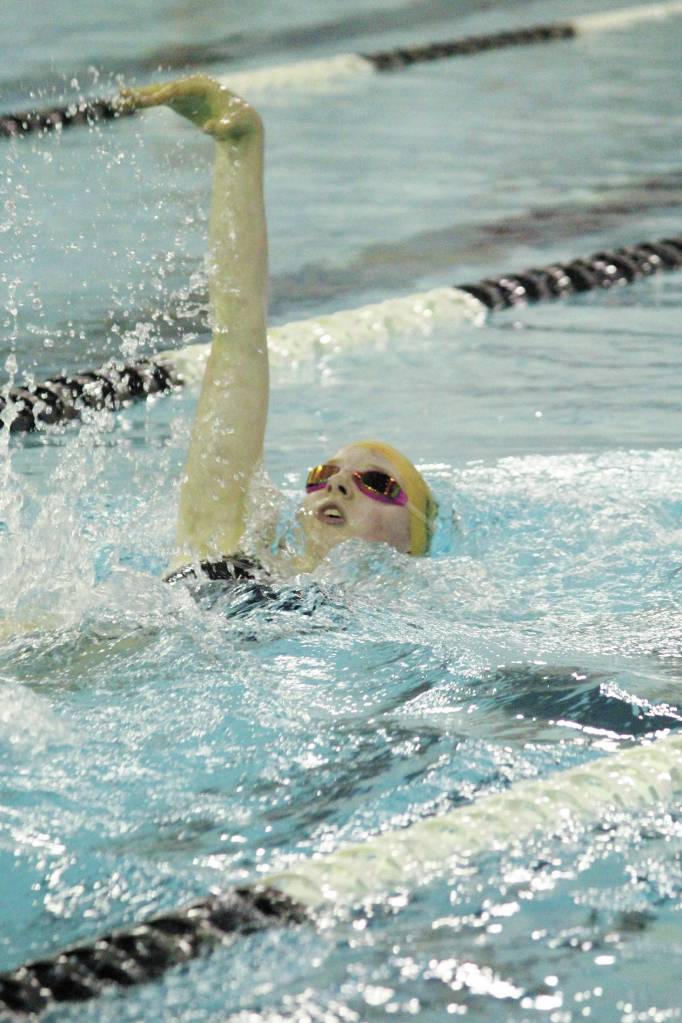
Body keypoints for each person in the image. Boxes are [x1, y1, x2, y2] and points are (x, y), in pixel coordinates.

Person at [120, 77, 437, 587]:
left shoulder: (412, 623)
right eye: (323, 474)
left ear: (410, 542)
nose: (336, 483)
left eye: (376, 481)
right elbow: (238, 334)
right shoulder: (227, 543)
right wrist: (240, 145)